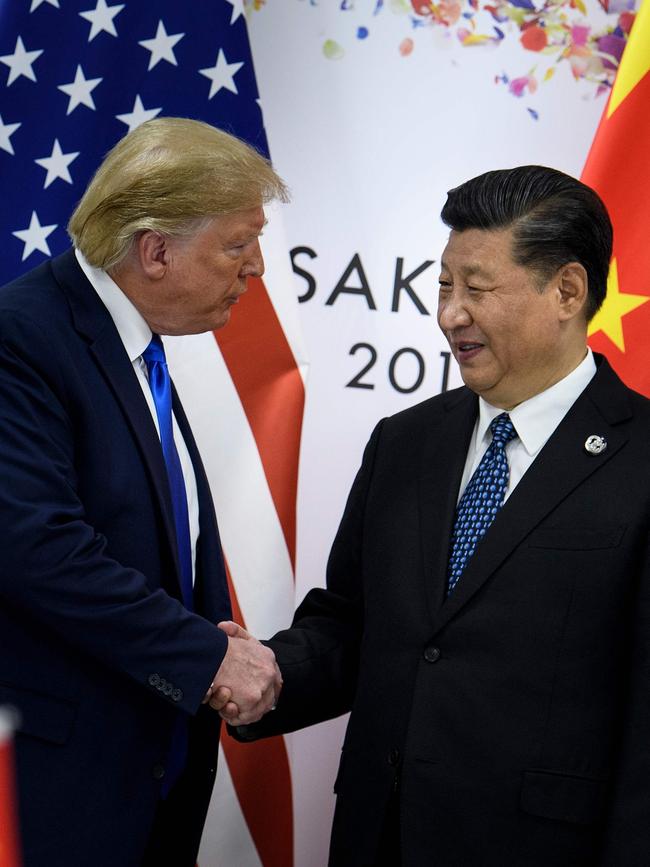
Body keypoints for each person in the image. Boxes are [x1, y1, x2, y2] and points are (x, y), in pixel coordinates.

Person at [226, 165, 650, 866]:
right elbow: (351, 624)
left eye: (476, 289)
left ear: (567, 291)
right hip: (378, 837)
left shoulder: (638, 460)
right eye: (445, 286)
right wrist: (261, 672)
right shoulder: (405, 440)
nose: (451, 313)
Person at [0, 117, 285, 867]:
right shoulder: (22, 336)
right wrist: (205, 656)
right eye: (236, 244)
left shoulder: (135, 344)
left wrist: (204, 639)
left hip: (150, 777)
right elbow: (37, 548)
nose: (254, 267)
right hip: (58, 789)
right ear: (156, 249)